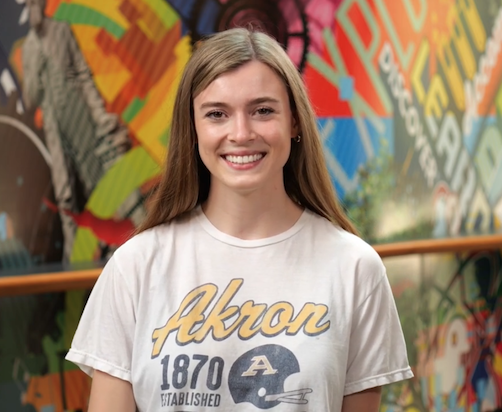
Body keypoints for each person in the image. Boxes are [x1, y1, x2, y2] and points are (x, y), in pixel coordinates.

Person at [66, 28, 413, 411]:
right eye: (217, 114)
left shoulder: (354, 268)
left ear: (294, 122)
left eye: (263, 110)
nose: (241, 133)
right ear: (193, 128)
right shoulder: (135, 267)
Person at [22, 0, 144, 261]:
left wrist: (99, 114)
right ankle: (71, 264)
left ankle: (122, 245)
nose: (35, 7)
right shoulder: (29, 48)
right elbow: (31, 98)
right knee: (65, 193)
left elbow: (82, 73)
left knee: (97, 183)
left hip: (79, 115)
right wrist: (36, 68)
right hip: (56, 129)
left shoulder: (61, 29)